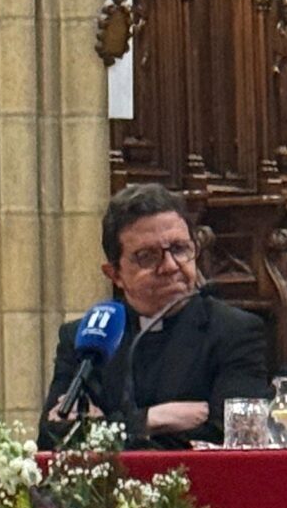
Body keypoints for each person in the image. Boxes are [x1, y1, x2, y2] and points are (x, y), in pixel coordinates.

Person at [41, 183, 268, 449]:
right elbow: (54, 438)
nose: (170, 266)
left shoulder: (234, 331)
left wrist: (107, 428)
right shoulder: (88, 337)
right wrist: (152, 419)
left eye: (180, 249)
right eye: (147, 257)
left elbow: (229, 437)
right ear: (114, 274)